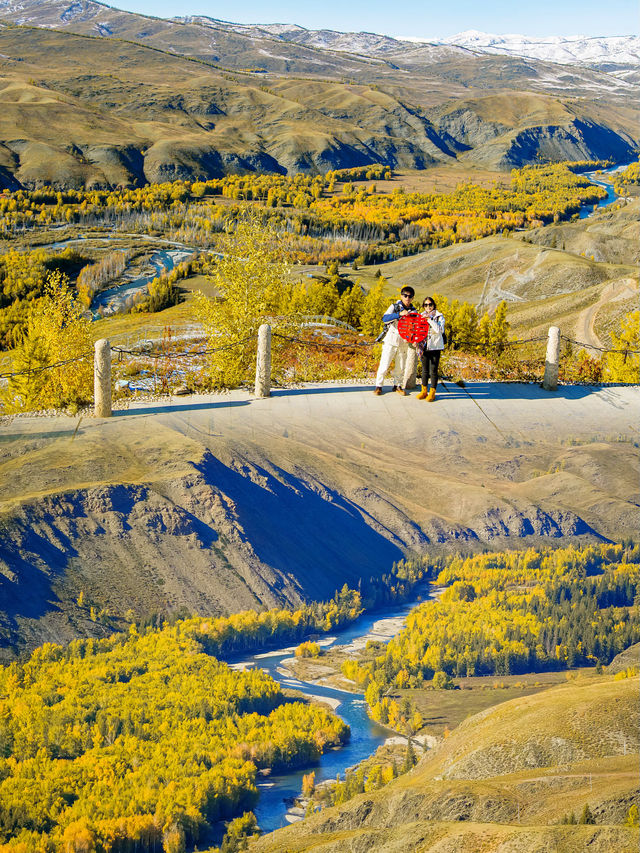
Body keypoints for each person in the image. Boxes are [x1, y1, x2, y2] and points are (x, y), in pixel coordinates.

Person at [373, 286, 415, 396]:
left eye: (410, 296)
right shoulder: (394, 307)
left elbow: (415, 327)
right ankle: (379, 386)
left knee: (401, 366)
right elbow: (384, 318)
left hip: (403, 342)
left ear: (412, 298)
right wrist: (398, 315)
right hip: (391, 340)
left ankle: (397, 386)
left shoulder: (414, 311)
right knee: (384, 363)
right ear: (401, 296)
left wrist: (411, 338)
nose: (407, 298)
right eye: (405, 295)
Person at [417, 296, 445, 401]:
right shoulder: (421, 316)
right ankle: (424, 391)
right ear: (423, 306)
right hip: (423, 346)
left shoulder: (439, 316)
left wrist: (430, 320)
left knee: (433, 370)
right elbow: (417, 330)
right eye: (426, 305)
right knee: (424, 370)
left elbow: (439, 330)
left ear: (433, 305)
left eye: (430, 304)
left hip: (435, 347)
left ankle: (432, 392)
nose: (428, 307)